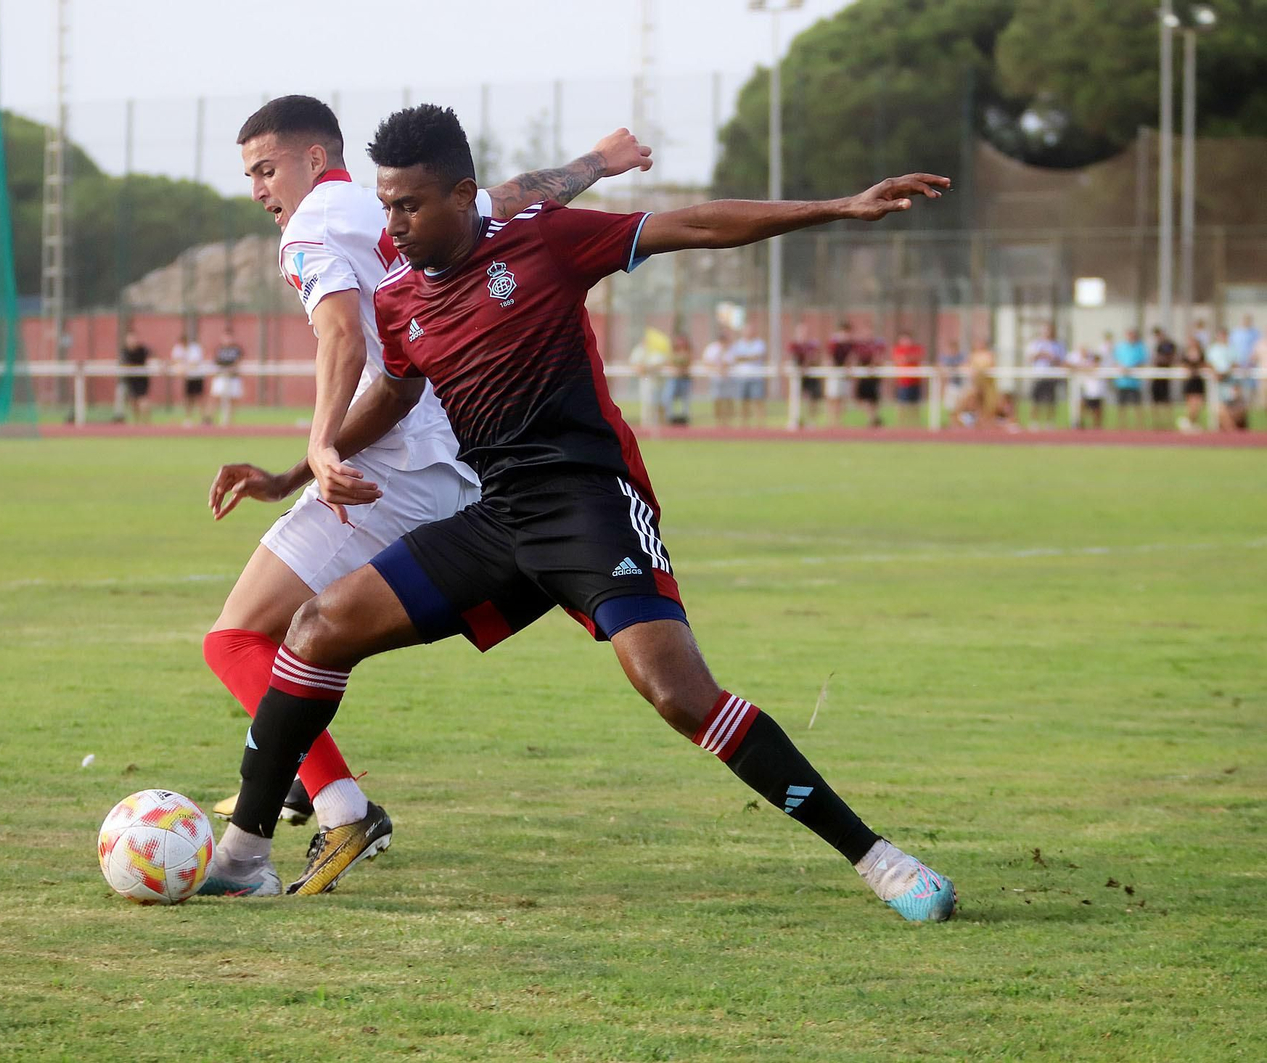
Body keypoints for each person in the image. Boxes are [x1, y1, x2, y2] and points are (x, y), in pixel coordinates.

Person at [202, 103, 957, 924]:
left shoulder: (542, 242)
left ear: (462, 197)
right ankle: (245, 856)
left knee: (677, 693)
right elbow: (394, 389)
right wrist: (293, 471)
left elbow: (693, 224)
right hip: (497, 520)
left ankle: (881, 861)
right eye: (386, 205)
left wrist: (840, 207)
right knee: (315, 629)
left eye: (410, 206)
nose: (395, 224)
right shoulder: (401, 298)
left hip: (590, 505)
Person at [201, 95, 652, 896]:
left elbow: (341, 334)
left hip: (391, 466)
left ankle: (337, 807)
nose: (258, 189)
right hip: (458, 454)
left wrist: (316, 447)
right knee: (306, 635)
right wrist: (594, 162)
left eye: (266, 168)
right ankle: (302, 778)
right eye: (249, 175)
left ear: (315, 158)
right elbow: (500, 199)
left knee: (237, 638)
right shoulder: (395, 204)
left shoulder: (310, 229)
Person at [1024, 323, 1065, 430]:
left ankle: (1049, 422)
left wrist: (1051, 357)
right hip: (1038, 375)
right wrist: (1039, 354)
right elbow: (1029, 358)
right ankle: (1034, 422)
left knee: (1051, 400)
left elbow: (1061, 360)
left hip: (1052, 375)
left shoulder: (1057, 345)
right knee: (1035, 400)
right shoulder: (1036, 344)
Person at [729, 325, 768, 428]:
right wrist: (750, 357)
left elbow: (758, 356)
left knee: (758, 400)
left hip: (756, 376)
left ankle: (760, 424)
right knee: (742, 401)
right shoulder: (738, 344)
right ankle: (744, 424)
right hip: (742, 376)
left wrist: (744, 357)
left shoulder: (759, 343)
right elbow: (735, 357)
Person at [1111, 327, 1147, 430]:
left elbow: (1143, 360)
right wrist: (1122, 368)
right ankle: (1122, 426)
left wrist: (1132, 368)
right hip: (1122, 381)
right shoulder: (1121, 347)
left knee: (1137, 405)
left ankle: (1140, 426)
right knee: (1121, 405)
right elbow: (1115, 360)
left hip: (1135, 382)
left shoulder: (1140, 347)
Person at [701, 326, 736, 428]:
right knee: (717, 400)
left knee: (729, 400)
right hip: (716, 378)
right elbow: (707, 362)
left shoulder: (731, 348)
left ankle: (728, 422)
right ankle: (718, 422)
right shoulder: (712, 348)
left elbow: (732, 362)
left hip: (728, 378)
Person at [787, 324, 822, 427]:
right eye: (801, 332)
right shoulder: (794, 345)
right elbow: (790, 357)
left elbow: (815, 357)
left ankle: (811, 421)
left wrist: (807, 364)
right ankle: (795, 419)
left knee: (813, 398)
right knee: (795, 398)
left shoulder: (812, 344)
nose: (803, 334)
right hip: (797, 376)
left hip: (810, 375)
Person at [889, 330, 925, 427]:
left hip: (915, 381)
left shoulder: (916, 348)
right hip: (903, 382)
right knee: (902, 404)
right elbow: (899, 359)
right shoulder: (898, 349)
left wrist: (907, 358)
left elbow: (917, 358)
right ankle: (900, 424)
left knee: (915, 404)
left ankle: (915, 424)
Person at [210, 327, 245, 427]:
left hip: (233, 378)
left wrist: (232, 368)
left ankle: (229, 421)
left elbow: (239, 361)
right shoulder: (219, 349)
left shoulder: (237, 349)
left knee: (233, 399)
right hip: (221, 377)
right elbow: (215, 361)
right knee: (216, 397)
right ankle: (211, 419)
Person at [118, 327, 152, 424]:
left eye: (133, 338)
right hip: (131, 380)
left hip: (142, 379)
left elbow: (153, 355)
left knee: (143, 401)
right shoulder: (124, 351)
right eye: (130, 338)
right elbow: (122, 364)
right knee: (133, 402)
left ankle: (146, 423)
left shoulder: (142, 349)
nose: (132, 340)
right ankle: (136, 423)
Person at [172, 333, 207, 427]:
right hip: (188, 378)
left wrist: (183, 368)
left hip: (197, 376)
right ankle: (188, 419)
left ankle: (203, 419)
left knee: (199, 398)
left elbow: (194, 363)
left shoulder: (195, 348)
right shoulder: (178, 348)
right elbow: (176, 361)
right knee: (188, 399)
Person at [662, 329, 694, 425]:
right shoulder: (672, 351)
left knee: (685, 399)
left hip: (685, 379)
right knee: (668, 397)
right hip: (674, 378)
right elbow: (669, 362)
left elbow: (689, 362)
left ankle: (684, 417)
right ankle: (670, 417)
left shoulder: (688, 351)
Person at [824, 322, 853, 427]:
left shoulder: (849, 344)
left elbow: (851, 358)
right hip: (834, 373)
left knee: (842, 397)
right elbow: (829, 357)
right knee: (832, 396)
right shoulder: (834, 343)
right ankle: (831, 420)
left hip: (844, 374)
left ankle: (838, 420)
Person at [1070, 343, 1105, 430]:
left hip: (1096, 391)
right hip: (1086, 390)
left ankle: (1096, 427)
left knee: (1097, 410)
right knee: (1082, 406)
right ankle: (1079, 423)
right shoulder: (1080, 360)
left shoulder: (1096, 364)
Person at [1178, 336, 1208, 432]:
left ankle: (1191, 422)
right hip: (1190, 381)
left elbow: (1204, 363)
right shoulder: (1185, 354)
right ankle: (1187, 421)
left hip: (1198, 381)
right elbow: (1182, 364)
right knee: (1191, 404)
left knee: (1199, 404)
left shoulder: (1201, 354)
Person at [853, 332, 884, 427]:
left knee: (873, 400)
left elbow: (879, 357)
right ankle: (873, 418)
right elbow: (854, 357)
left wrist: (874, 364)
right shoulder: (859, 346)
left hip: (873, 377)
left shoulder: (876, 345)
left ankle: (873, 419)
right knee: (860, 400)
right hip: (863, 377)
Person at [1149, 326, 1177, 429]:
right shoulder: (1156, 345)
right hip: (1156, 375)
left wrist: (1161, 359)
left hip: (1165, 375)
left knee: (1166, 399)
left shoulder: (1168, 344)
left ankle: (1168, 422)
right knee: (1155, 400)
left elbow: (1171, 357)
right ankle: (1157, 423)